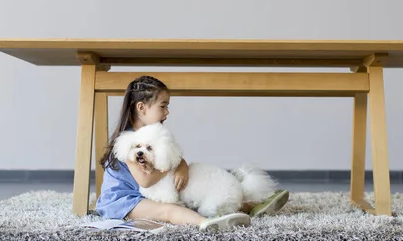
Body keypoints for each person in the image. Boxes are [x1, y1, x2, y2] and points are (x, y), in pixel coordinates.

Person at [96, 75, 289, 231]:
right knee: (169, 210)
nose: (167, 112)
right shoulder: (131, 142)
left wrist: (181, 164)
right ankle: (204, 223)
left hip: (145, 195)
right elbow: (145, 181)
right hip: (123, 201)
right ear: (142, 108)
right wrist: (176, 165)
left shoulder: (152, 137)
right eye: (163, 106)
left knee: (187, 194)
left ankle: (249, 205)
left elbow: (168, 158)